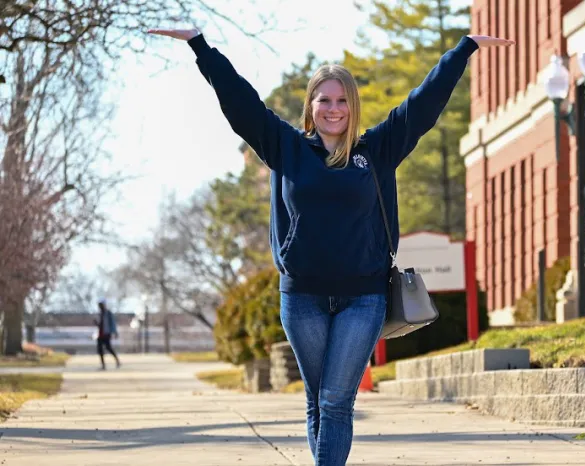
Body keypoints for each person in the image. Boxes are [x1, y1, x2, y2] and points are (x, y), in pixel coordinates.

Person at [148, 26, 513, 466]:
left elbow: (424, 104)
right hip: (302, 298)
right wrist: (200, 46)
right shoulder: (285, 147)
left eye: (342, 101)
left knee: (337, 401)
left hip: (364, 297)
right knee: (318, 400)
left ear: (352, 106)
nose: (334, 109)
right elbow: (240, 102)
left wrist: (464, 48)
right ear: (311, 106)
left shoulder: (377, 149)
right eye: (325, 100)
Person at [94, 298, 120, 370]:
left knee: (108, 348)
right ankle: (103, 365)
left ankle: (117, 360)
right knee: (100, 350)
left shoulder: (108, 313)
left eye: (101, 305)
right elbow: (100, 325)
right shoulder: (99, 314)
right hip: (100, 334)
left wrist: (115, 333)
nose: (100, 306)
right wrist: (96, 323)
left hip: (106, 334)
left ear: (104, 305)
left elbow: (113, 324)